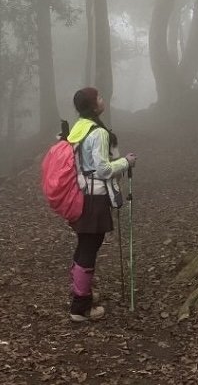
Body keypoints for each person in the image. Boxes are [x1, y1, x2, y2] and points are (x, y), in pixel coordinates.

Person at [66, 86, 137, 322]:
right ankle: (80, 307)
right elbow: (103, 169)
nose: (103, 99)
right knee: (89, 247)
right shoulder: (98, 132)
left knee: (84, 245)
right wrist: (125, 163)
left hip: (80, 194)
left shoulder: (79, 127)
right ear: (93, 105)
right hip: (94, 198)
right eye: (99, 97)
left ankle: (82, 293)